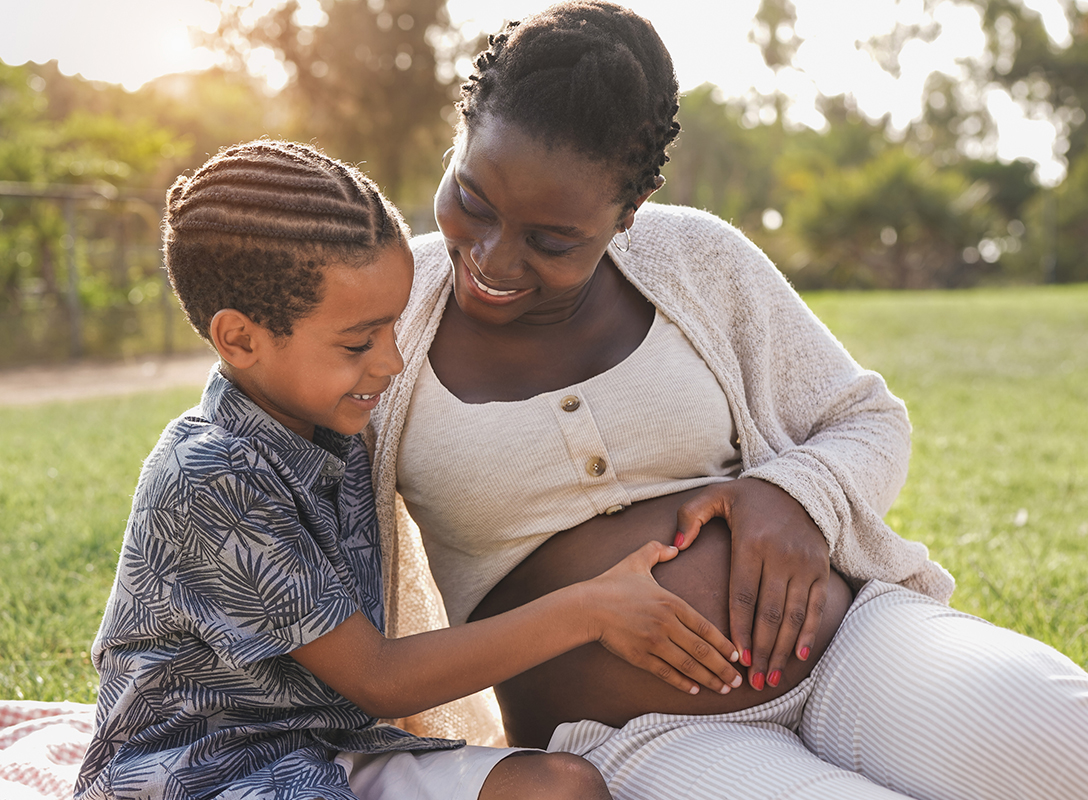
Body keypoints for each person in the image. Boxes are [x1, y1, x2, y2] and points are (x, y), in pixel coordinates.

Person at [368, 3, 1088, 799]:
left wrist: (796, 494)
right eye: (472, 198)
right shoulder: (382, 313)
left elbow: (865, 420)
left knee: (1068, 740)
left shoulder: (697, 258)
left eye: (552, 239)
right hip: (634, 739)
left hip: (851, 646)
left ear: (625, 215)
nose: (495, 255)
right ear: (458, 142)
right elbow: (247, 460)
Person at [73, 140, 747, 800]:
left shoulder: (333, 431)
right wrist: (592, 609)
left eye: (393, 326)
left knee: (559, 787)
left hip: (326, 755)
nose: (391, 362)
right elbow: (381, 679)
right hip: (196, 773)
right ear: (240, 339)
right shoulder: (210, 475)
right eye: (358, 341)